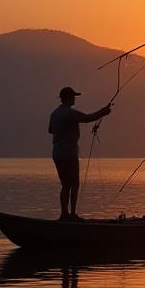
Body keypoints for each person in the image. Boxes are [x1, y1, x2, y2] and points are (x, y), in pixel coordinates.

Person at [48, 87, 111, 220]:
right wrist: (103, 112)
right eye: (73, 96)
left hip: (57, 153)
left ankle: (64, 214)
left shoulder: (54, 114)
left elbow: (50, 130)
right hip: (69, 153)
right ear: (68, 98)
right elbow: (87, 118)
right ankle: (71, 214)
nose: (75, 98)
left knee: (65, 184)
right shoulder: (68, 113)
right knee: (74, 184)